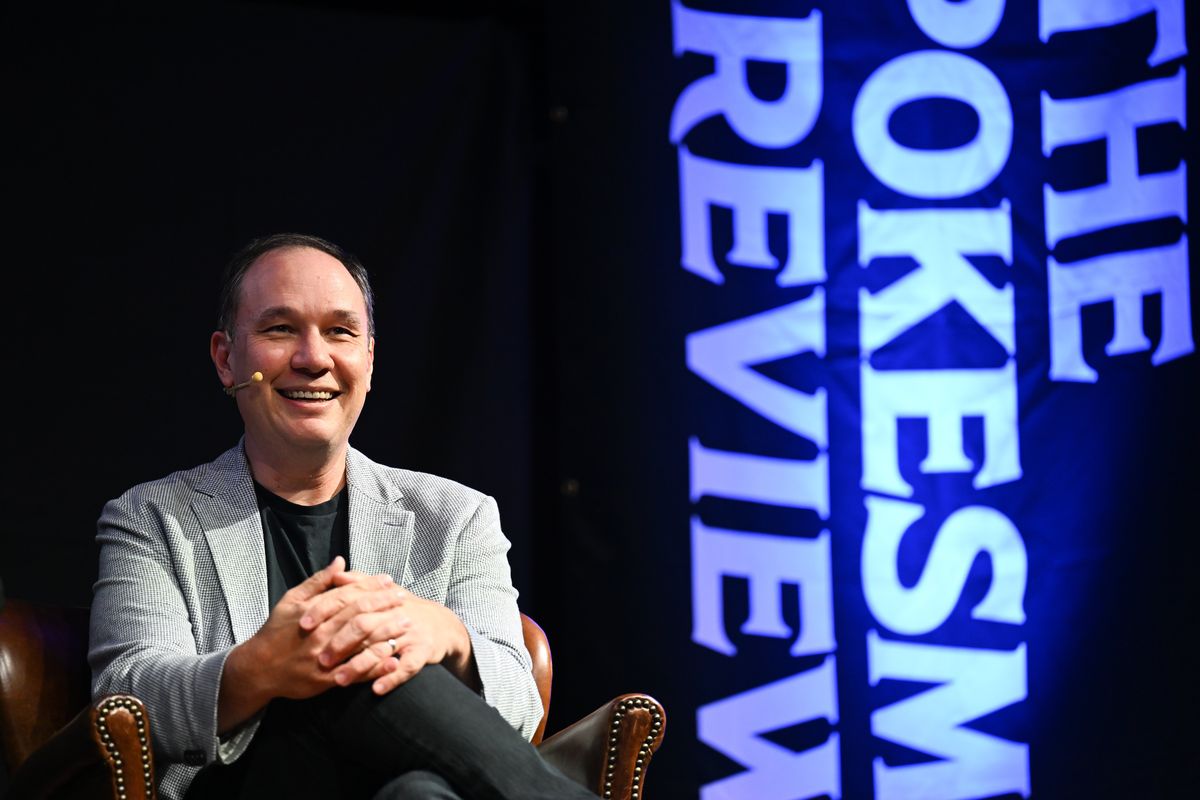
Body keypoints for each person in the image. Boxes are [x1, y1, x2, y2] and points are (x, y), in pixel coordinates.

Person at [88, 233, 594, 799]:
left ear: (369, 361)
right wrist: (261, 668)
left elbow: (523, 712)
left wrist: (451, 638)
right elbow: (125, 702)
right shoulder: (153, 517)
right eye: (280, 329)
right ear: (227, 359)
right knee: (345, 651)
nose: (314, 358)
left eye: (340, 332)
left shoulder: (455, 517)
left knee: (420, 793)